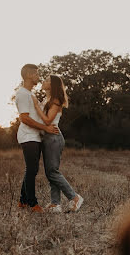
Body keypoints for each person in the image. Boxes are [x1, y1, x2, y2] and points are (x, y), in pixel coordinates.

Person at [32, 74, 84, 212]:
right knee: (51, 172)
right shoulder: (47, 99)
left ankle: (74, 197)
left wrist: (36, 106)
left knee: (52, 172)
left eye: (47, 80)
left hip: (53, 138)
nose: (43, 81)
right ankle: (55, 204)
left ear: (52, 85)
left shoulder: (55, 100)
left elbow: (48, 120)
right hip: (47, 137)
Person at [15, 64, 59, 212]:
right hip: (28, 135)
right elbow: (24, 118)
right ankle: (33, 204)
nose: (38, 77)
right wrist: (45, 128)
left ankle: (22, 201)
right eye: (36, 74)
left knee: (31, 169)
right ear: (28, 75)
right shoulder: (22, 94)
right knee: (32, 169)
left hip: (35, 136)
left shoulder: (30, 94)